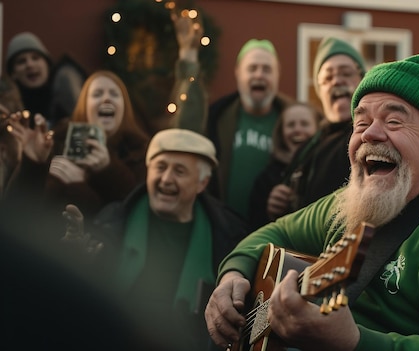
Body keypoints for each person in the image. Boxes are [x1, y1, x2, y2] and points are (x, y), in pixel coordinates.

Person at [206, 54, 419, 350]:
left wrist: (356, 342)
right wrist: (233, 276)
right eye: (360, 123)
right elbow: (272, 234)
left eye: (393, 121)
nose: (369, 135)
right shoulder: (347, 205)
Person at [63, 128, 248, 351]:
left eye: (179, 171)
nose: (166, 179)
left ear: (202, 183)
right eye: (160, 167)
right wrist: (79, 259)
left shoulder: (229, 235)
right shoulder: (112, 221)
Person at [6, 70, 150, 221]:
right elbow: (17, 213)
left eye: (114, 94)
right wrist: (32, 162)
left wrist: (106, 171)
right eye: (97, 94)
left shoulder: (140, 152)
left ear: (125, 107)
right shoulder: (56, 144)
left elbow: (138, 212)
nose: (106, 98)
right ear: (84, 106)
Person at [266, 36, 366, 221]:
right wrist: (279, 204)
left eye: (346, 73)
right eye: (328, 77)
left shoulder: (368, 136)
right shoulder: (309, 146)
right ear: (320, 90)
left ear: (362, 79)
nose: (337, 81)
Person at [204, 38, 293, 221]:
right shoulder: (215, 118)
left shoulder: (294, 121)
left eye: (267, 69)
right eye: (252, 68)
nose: (259, 75)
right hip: (223, 227)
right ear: (238, 73)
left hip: (274, 232)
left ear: (277, 75)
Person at [248, 102, 322, 230]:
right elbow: (254, 227)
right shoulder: (266, 179)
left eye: (304, 124)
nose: (297, 129)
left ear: (318, 129)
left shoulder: (326, 167)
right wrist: (270, 211)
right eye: (290, 125)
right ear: (281, 132)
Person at [5, 31, 86, 129]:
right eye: (21, 61)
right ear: (13, 73)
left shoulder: (66, 89)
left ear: (47, 64)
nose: (30, 65)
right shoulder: (9, 108)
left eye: (35, 58)